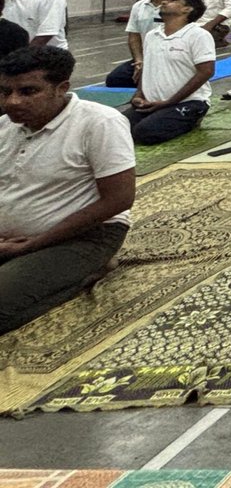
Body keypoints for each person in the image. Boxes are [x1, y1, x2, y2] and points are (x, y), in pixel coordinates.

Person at [0, 46, 136, 334]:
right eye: (4, 91)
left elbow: (119, 199)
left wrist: (35, 244)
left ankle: (84, 274)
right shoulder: (5, 127)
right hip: (12, 241)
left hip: (82, 237)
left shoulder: (100, 123)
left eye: (27, 91)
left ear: (61, 88)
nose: (12, 101)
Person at [117, 0, 216, 145]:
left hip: (188, 102)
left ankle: (191, 119)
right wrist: (139, 94)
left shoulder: (198, 35)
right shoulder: (152, 35)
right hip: (152, 103)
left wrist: (169, 102)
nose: (164, 2)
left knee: (144, 133)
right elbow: (147, 67)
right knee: (116, 128)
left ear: (187, 9)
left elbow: (206, 71)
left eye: (173, 0)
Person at [104, 0, 175, 87]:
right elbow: (134, 36)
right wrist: (139, 61)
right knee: (114, 79)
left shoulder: (180, 5)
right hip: (147, 58)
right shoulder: (139, 6)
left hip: (172, 58)